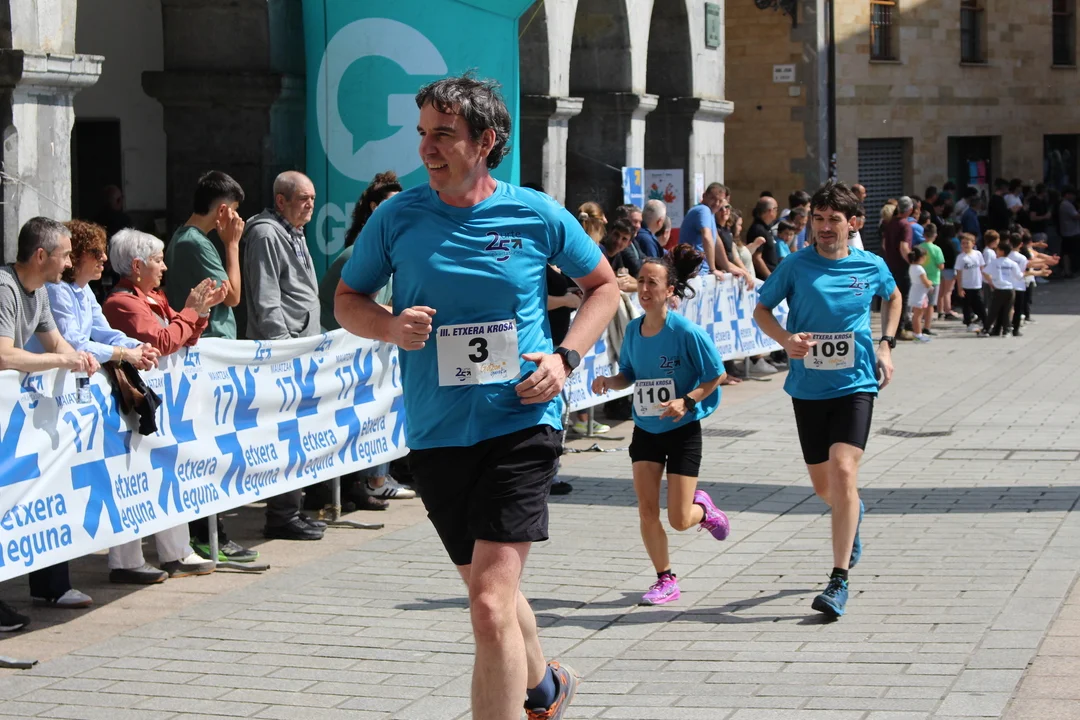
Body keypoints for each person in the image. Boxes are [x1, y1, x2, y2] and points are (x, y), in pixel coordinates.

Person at [334, 74, 620, 720]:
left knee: (488, 606)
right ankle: (545, 688)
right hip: (437, 430)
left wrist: (566, 358)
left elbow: (603, 287)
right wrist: (390, 326)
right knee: (494, 593)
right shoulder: (396, 217)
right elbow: (348, 300)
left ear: (486, 141)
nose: (427, 149)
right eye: (422, 134)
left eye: (444, 134)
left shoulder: (534, 213)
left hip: (521, 420)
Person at [753, 181, 902, 619]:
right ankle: (851, 511)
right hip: (808, 388)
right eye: (818, 219)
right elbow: (761, 309)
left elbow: (893, 296)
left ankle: (838, 581)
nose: (824, 227)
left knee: (843, 469)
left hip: (856, 384)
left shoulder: (870, 265)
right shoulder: (796, 265)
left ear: (852, 223)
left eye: (833, 220)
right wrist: (785, 339)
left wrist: (886, 344)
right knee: (826, 488)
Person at [591, 245, 730, 606]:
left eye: (652, 283)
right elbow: (629, 374)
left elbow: (716, 374)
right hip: (646, 429)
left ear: (669, 290)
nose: (644, 289)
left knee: (680, 519)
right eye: (640, 281)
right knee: (647, 509)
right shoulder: (633, 331)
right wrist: (609, 382)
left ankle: (705, 510)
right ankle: (665, 579)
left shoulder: (685, 332)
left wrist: (687, 401)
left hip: (682, 430)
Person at [101, 228, 224, 580]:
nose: (164, 267)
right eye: (157, 260)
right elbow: (163, 340)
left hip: (162, 405)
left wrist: (199, 312)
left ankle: (177, 553)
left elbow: (184, 336)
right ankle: (125, 562)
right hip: (135, 406)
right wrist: (190, 313)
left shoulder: (152, 297)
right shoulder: (121, 303)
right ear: (137, 266)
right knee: (133, 479)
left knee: (167, 472)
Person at [0, 218, 100, 631]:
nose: (69, 263)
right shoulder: (4, 289)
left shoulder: (37, 291)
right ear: (41, 255)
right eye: (65, 254)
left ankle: (51, 585)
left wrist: (79, 356)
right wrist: (62, 360)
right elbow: (4, 355)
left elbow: (56, 341)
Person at [162, 170, 259, 563]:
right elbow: (232, 296)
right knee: (208, 447)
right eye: (233, 212)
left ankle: (209, 531)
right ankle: (207, 533)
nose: (236, 221)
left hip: (212, 351)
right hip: (208, 352)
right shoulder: (194, 243)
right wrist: (232, 245)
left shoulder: (189, 240)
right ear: (222, 211)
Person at [318, 170, 414, 509]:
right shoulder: (357, 255)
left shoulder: (385, 252)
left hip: (365, 355)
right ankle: (359, 485)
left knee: (370, 417)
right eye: (391, 205)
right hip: (339, 354)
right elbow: (361, 308)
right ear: (374, 208)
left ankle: (370, 481)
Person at [241, 171, 327, 541]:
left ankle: (291, 509)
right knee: (285, 436)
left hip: (300, 351)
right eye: (303, 198)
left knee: (299, 435)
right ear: (281, 200)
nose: (310, 205)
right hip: (283, 356)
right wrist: (283, 347)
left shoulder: (293, 232)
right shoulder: (265, 234)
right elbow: (266, 299)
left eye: (313, 198)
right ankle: (280, 515)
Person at [681, 183, 748, 282]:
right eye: (713, 198)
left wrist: (728, 267)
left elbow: (716, 241)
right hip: (695, 272)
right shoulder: (703, 210)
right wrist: (713, 269)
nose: (716, 203)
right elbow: (707, 237)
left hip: (699, 271)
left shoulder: (710, 213)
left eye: (720, 201)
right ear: (704, 196)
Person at [881, 196, 914, 339]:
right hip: (902, 267)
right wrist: (912, 262)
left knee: (891, 298)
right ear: (910, 210)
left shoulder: (890, 223)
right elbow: (904, 247)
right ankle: (900, 329)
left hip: (890, 265)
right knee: (902, 299)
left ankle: (891, 330)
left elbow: (884, 244)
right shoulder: (905, 225)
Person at [984, 240, 1022, 337]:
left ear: (1001, 251)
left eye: (997, 249)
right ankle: (1006, 330)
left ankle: (986, 329)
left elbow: (985, 272)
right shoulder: (1012, 263)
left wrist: (991, 282)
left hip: (999, 289)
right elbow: (1019, 276)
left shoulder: (995, 262)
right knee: (1006, 310)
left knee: (993, 310)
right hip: (1010, 289)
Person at [954, 233, 989, 333]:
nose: (965, 245)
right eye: (963, 243)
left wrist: (987, 280)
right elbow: (959, 273)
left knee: (980, 304)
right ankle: (968, 323)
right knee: (966, 306)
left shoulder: (978, 254)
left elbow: (982, 268)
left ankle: (986, 322)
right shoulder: (960, 257)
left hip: (977, 284)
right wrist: (959, 288)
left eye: (967, 243)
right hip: (966, 286)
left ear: (973, 243)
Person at [919, 223, 944, 335]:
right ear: (935, 235)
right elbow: (940, 265)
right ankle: (927, 327)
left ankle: (917, 326)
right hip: (933, 280)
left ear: (923, 235)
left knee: (920, 304)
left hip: (920, 279)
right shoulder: (937, 249)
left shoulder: (919, 247)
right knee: (930, 305)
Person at [748, 195, 781, 279]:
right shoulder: (758, 230)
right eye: (776, 209)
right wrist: (770, 278)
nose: (777, 212)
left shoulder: (766, 228)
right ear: (770, 210)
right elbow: (756, 258)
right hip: (763, 280)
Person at [906, 245, 933, 342]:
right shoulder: (919, 268)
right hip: (919, 294)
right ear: (921, 257)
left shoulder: (912, 267)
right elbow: (926, 282)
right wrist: (930, 283)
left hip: (916, 292)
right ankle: (918, 334)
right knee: (918, 315)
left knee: (916, 314)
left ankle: (917, 333)